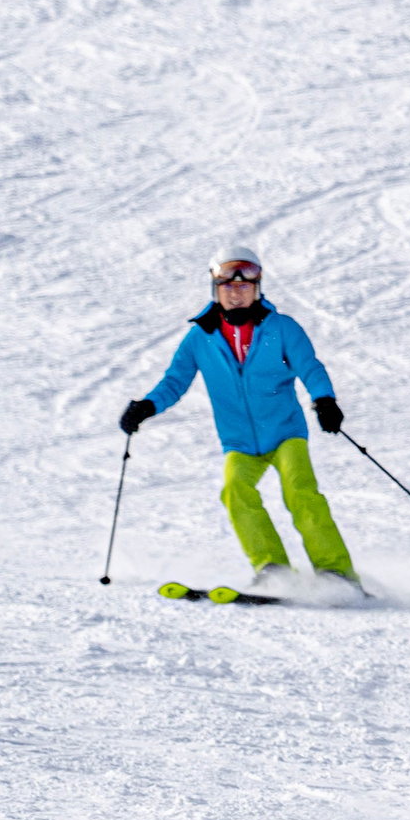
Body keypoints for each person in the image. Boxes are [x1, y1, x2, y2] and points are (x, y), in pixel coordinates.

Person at [119, 247, 359, 587]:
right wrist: (146, 406)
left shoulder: (281, 328)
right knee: (235, 491)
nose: (236, 292)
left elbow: (309, 366)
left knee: (300, 492)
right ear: (215, 289)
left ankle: (337, 573)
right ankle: (273, 570)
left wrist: (325, 400)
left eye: (245, 286)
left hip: (285, 432)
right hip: (239, 441)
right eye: (228, 286)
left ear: (257, 287)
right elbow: (175, 381)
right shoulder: (200, 338)